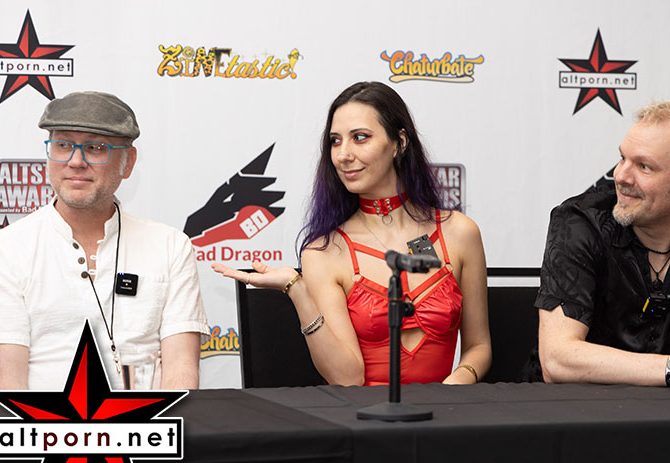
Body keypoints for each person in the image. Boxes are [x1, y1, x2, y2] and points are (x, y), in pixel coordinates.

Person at [214, 81, 491, 386]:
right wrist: (297, 289)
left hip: (449, 410)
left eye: (360, 137)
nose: (343, 154)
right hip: (365, 413)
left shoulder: (460, 232)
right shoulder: (323, 252)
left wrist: (455, 385)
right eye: (335, 141)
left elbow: (479, 346)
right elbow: (348, 377)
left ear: (399, 142)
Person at [0, 91, 209, 390]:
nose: (75, 161)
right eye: (63, 145)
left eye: (95, 148)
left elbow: (182, 372)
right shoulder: (9, 248)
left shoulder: (170, 246)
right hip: (41, 420)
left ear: (128, 162)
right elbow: (8, 383)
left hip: (147, 419)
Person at [534, 101, 670, 386]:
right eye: (622, 158)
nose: (621, 176)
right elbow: (558, 359)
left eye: (644, 166)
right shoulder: (580, 222)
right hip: (575, 408)